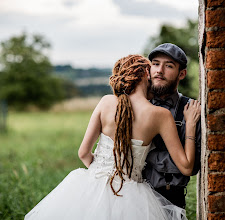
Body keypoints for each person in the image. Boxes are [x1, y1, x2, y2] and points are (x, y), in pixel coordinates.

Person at [25, 54, 201, 220]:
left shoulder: (106, 103)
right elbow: (186, 167)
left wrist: (101, 173)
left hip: (91, 186)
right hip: (133, 196)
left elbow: (83, 153)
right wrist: (191, 125)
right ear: (145, 74)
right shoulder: (160, 115)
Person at [143, 43, 201, 209]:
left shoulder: (191, 109)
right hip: (137, 197)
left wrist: (147, 157)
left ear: (181, 74)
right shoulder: (138, 106)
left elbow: (193, 164)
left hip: (172, 199)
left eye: (168, 66)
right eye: (155, 64)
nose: (159, 70)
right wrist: (171, 155)